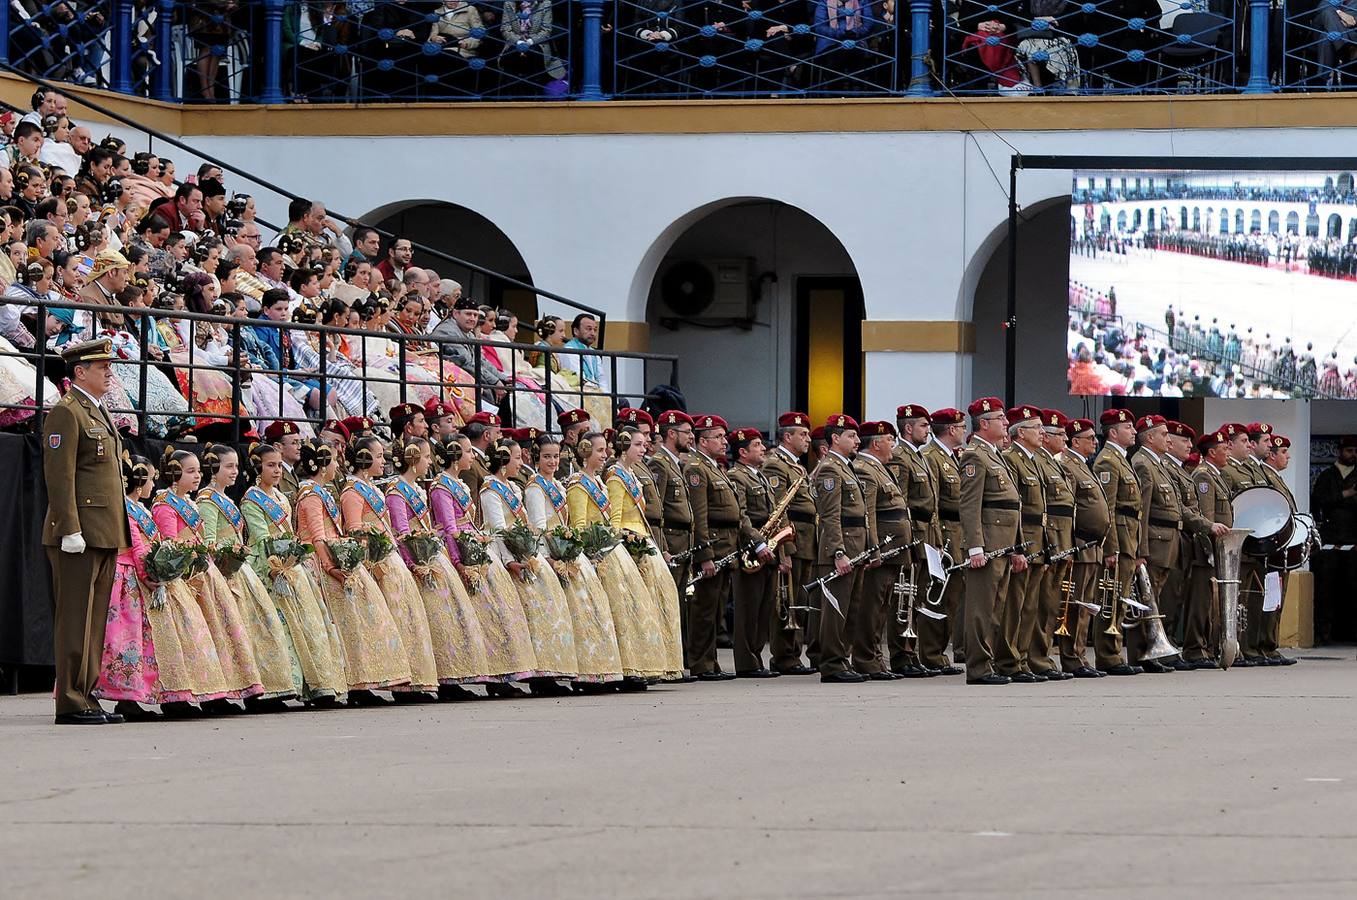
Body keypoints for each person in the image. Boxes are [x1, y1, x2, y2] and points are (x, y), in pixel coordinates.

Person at [42, 338, 134, 724]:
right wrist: (69, 528)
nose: (109, 372)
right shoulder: (67, 412)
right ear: (80, 372)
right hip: (78, 532)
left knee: (94, 618)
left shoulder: (95, 410)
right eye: (102, 367)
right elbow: (59, 477)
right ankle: (70, 700)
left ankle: (87, 692)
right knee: (75, 618)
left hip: (104, 529)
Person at [295, 439, 412, 705]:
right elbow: (316, 537)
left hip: (335, 559)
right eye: (334, 460)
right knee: (346, 624)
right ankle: (351, 683)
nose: (338, 465)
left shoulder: (321, 491)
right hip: (321, 563)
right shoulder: (311, 495)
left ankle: (362, 681)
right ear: (323, 465)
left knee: (358, 623)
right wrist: (331, 567)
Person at [153, 448, 265, 710]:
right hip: (184, 578)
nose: (197, 476)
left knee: (217, 634)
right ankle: (192, 694)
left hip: (204, 574)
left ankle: (217, 692)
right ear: (173, 473)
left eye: (198, 471)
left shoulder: (190, 503)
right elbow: (170, 545)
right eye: (190, 471)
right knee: (195, 637)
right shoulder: (165, 505)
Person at [427, 434, 536, 696]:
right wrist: (460, 562)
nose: (473, 456)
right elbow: (450, 529)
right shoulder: (442, 487)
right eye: (467, 451)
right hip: (461, 553)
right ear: (455, 456)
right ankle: (462, 679)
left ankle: (500, 675)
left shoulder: (460, 485)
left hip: (475, 548)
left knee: (497, 614)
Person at [240, 441, 347, 705]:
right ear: (257, 467)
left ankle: (316, 684)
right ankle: (278, 685)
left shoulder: (279, 497)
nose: (277, 471)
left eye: (278, 465)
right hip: (269, 565)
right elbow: (262, 537)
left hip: (291, 564)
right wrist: (276, 566)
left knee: (309, 624)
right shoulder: (252, 499)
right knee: (277, 627)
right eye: (270, 466)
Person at [197, 444, 303, 708]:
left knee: (254, 631)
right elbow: (208, 542)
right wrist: (230, 557)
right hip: (225, 572)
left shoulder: (225, 498)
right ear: (213, 469)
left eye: (236, 466)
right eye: (228, 466)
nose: (235, 472)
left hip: (239, 570)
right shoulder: (207, 500)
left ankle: (260, 689)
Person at [386, 436, 490, 698]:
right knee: (431, 622)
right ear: (413, 459)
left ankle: (449, 677)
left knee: (445, 620)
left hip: (431, 556)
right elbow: (402, 533)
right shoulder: (398, 490)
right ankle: (431, 680)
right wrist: (415, 564)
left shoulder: (418, 489)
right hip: (419, 562)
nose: (430, 461)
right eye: (426, 457)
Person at [343, 434, 440, 700]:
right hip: (375, 564)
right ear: (363, 460)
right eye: (377, 457)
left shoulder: (373, 488)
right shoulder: (352, 491)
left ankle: (410, 682)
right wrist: (370, 561)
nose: (383, 461)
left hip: (389, 559)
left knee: (407, 619)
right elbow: (354, 531)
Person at [524, 431, 624, 688]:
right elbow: (537, 526)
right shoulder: (536, 487)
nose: (552, 462)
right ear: (537, 457)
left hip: (567, 550)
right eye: (547, 457)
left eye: (556, 456)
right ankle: (550, 675)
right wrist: (550, 556)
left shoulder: (557, 485)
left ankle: (591, 670)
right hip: (549, 553)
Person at [481, 437, 580, 693]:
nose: (520, 462)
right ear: (503, 462)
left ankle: (543, 672)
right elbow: (500, 530)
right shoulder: (491, 489)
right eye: (516, 458)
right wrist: (513, 560)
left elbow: (524, 527)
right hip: (504, 555)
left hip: (524, 553)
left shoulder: (514, 489)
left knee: (543, 614)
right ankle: (507, 678)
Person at [1128, 415, 1225, 672]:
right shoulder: (1143, 464)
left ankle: (1159, 649)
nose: (1168, 439)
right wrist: (1141, 549)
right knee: (1152, 599)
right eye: (1164, 435)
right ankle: (1143, 654)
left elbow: (1179, 508)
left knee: (1162, 600)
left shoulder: (1158, 465)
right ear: (1150, 437)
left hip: (1169, 541)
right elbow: (1143, 511)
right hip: (1156, 541)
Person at [567, 430, 658, 689]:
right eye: (599, 451)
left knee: (626, 610)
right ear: (585, 452)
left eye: (606, 450)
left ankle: (626, 667)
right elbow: (579, 525)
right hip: (596, 555)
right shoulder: (578, 483)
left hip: (611, 552)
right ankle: (603, 671)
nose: (605, 455)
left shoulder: (599, 483)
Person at [607, 428, 685, 680]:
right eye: (638, 445)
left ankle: (658, 663)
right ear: (624, 446)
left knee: (661, 599)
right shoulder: (615, 476)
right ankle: (637, 665)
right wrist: (627, 546)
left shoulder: (631, 473)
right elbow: (615, 521)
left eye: (644, 445)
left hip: (644, 542)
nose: (644, 449)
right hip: (631, 546)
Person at [959, 397, 1023, 686]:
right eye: (1000, 418)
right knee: (980, 610)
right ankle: (978, 668)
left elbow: (1013, 505)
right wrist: (975, 547)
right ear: (984, 423)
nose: (1006, 422)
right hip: (987, 545)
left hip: (1003, 543)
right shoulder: (974, 455)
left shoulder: (994, 454)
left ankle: (989, 663)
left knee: (995, 610)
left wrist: (1018, 546)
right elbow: (970, 506)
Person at [682, 414, 745, 681]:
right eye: (718, 437)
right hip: (713, 548)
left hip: (726, 546)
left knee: (717, 609)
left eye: (723, 436)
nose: (724, 441)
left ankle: (712, 660)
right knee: (705, 611)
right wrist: (704, 554)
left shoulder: (714, 467)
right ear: (703, 441)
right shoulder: (697, 468)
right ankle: (701, 663)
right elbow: (700, 515)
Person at [850, 420, 910, 680]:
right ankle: (866, 659)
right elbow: (869, 515)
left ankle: (875, 658)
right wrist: (873, 550)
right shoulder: (865, 469)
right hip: (882, 550)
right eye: (889, 440)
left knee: (882, 606)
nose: (893, 446)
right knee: (871, 606)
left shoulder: (881, 469)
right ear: (876, 443)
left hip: (893, 549)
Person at [811, 414, 869, 684]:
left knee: (851, 609)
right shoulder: (830, 469)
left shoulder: (846, 467)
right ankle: (832, 664)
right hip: (841, 548)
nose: (857, 440)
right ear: (835, 438)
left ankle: (842, 660)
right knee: (836, 610)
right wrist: (837, 552)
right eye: (851, 436)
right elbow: (830, 515)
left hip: (855, 546)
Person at [889, 405, 945, 676]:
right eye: (923, 426)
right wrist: (908, 539)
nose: (928, 430)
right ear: (908, 428)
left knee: (918, 594)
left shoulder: (920, 456)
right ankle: (901, 654)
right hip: (913, 535)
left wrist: (936, 538)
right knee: (905, 594)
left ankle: (912, 653)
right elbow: (901, 501)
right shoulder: (899, 456)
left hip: (927, 534)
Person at [761, 411, 818, 675]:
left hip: (806, 538)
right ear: (787, 436)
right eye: (802, 434)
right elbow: (778, 509)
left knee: (798, 600)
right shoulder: (776, 464)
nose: (808, 439)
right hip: (791, 539)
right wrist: (783, 548)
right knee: (786, 599)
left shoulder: (796, 465)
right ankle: (784, 656)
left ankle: (794, 653)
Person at [994, 405, 1047, 684]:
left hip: (1038, 538)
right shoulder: (1011, 458)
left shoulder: (1035, 459)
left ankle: (1022, 658)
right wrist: (1017, 547)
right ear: (1021, 432)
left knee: (1029, 606)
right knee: (1014, 604)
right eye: (1037, 428)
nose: (1042, 432)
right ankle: (1007, 659)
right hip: (1023, 539)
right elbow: (1014, 507)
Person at [1091, 408, 1143, 676]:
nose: (1134, 431)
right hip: (1119, 536)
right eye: (1128, 427)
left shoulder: (1122, 459)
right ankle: (1108, 655)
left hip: (1129, 535)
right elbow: (1107, 510)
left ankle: (1114, 652)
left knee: (1120, 598)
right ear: (1113, 432)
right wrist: (1110, 547)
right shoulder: (1108, 462)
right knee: (1111, 596)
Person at [1057, 417, 1110, 678]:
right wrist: (1068, 547)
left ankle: (1079, 654)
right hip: (1079, 543)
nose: (1095, 442)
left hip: (1093, 546)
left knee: (1087, 604)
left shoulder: (1084, 466)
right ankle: (1070, 657)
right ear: (1075, 441)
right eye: (1090, 438)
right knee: (1074, 604)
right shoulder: (1067, 464)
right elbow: (1069, 509)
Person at [1029, 409, 1076, 680]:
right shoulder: (1040, 461)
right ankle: (1037, 657)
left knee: (1051, 602)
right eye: (1060, 434)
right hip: (1049, 539)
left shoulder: (1054, 462)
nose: (1065, 439)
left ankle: (1042, 655)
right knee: (1043, 602)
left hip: (1061, 539)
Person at [922, 407, 968, 667]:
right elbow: (934, 503)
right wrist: (937, 540)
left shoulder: (953, 456)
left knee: (951, 598)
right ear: (951, 429)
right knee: (938, 595)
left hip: (958, 534)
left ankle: (938, 653)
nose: (964, 431)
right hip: (945, 535)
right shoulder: (931, 457)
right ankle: (930, 654)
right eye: (961, 427)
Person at [1184, 430, 1233, 668]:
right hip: (1207, 548)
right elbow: (1206, 517)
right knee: (1201, 601)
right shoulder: (1203, 476)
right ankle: (1195, 648)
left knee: (1209, 601)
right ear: (1212, 452)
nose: (1229, 452)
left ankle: (1205, 646)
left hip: (1218, 548)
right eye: (1225, 448)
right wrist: (1209, 550)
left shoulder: (1217, 475)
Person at [1310, 436, 1357, 644]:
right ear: (1340, 451)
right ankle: (1324, 634)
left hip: (1353, 539)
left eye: (1356, 450)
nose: (1353, 454)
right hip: (1330, 540)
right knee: (1326, 589)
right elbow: (1319, 500)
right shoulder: (1328, 476)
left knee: (1353, 588)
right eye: (1349, 450)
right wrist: (1345, 494)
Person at [1257, 435, 1299, 666]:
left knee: (1277, 596)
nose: (1288, 456)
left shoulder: (1274, 477)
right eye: (1283, 452)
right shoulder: (1264, 476)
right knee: (1271, 595)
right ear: (1272, 455)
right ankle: (1265, 644)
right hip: (1272, 548)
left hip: (1282, 547)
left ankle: (1270, 644)